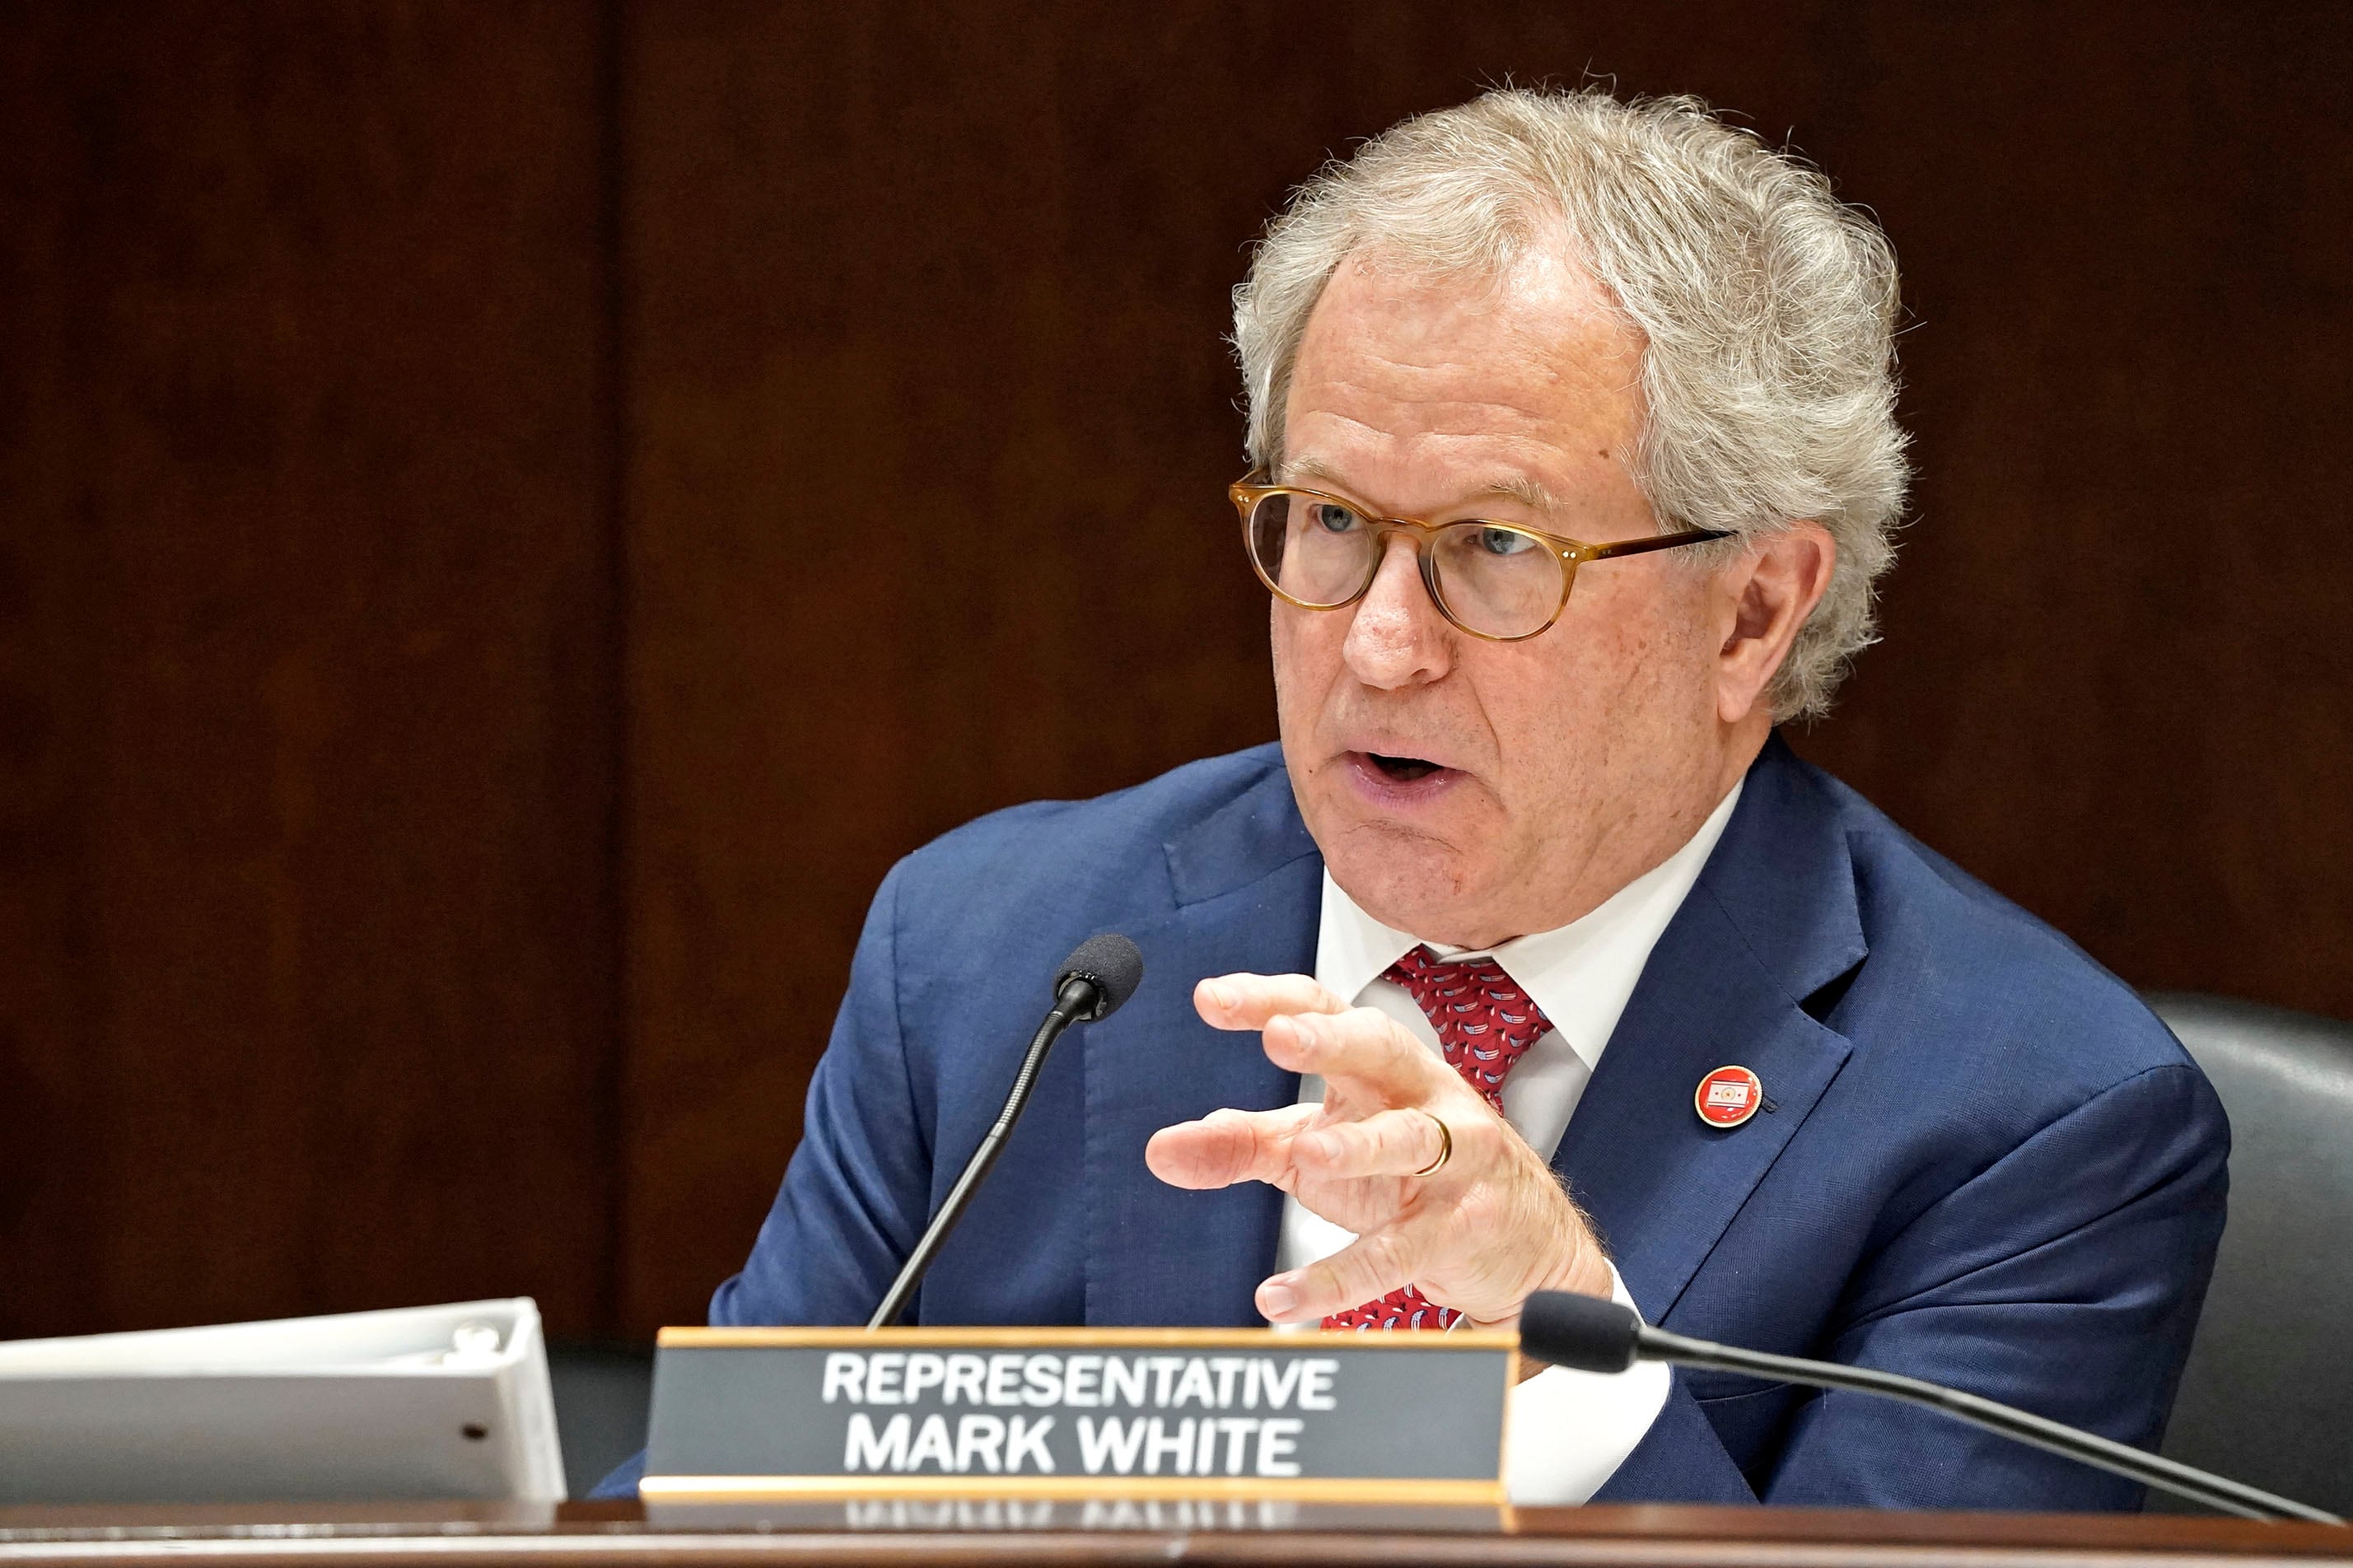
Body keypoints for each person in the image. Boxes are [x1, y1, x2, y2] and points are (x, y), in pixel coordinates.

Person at [602, 88, 2226, 1507]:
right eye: (1326, 521)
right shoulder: (994, 959)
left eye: (1495, 547)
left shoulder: (2036, 1118)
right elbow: (707, 1503)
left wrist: (1566, 1353)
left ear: (1751, 612)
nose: (1377, 644)